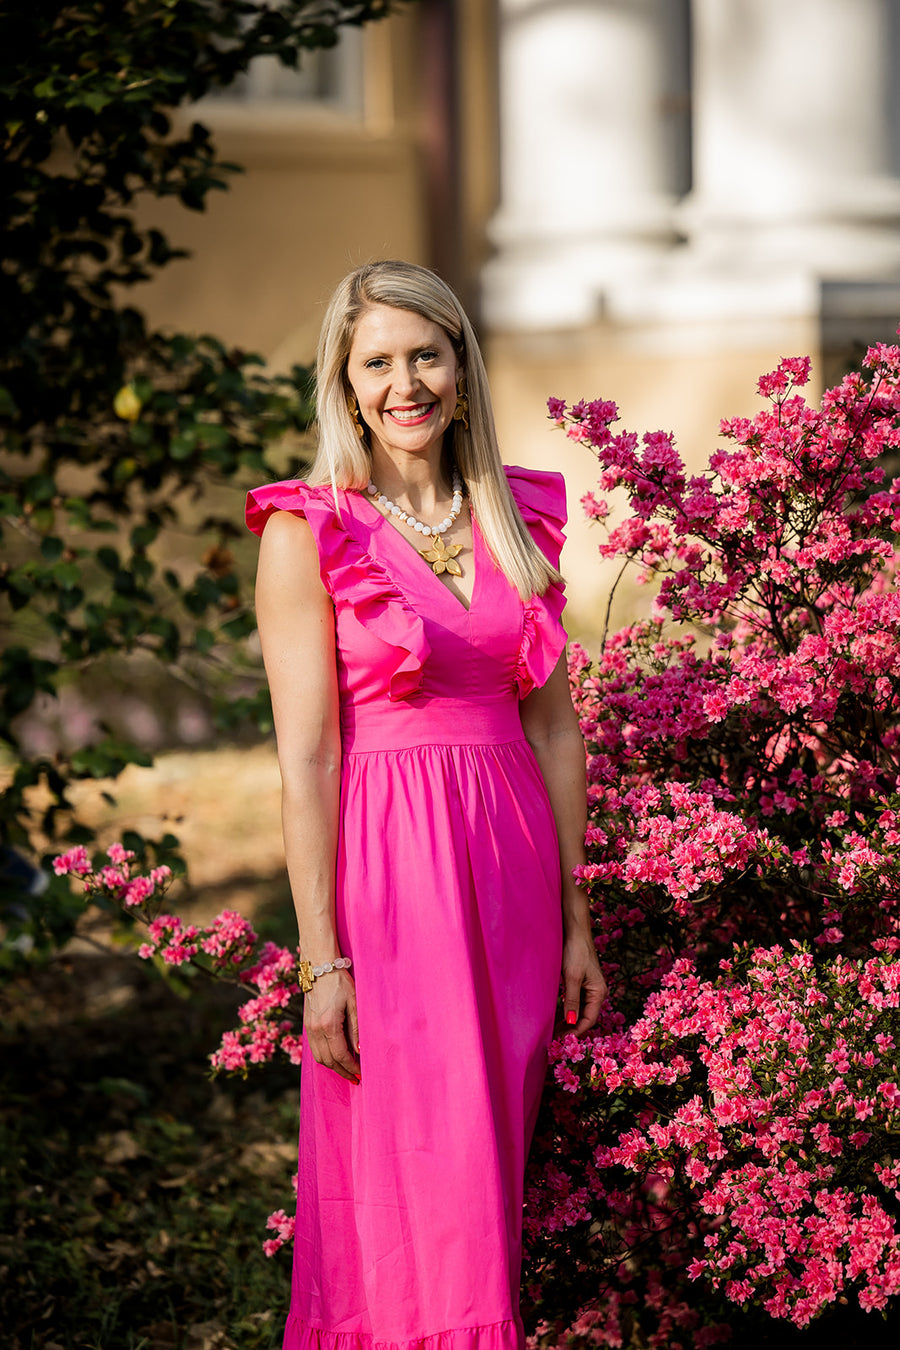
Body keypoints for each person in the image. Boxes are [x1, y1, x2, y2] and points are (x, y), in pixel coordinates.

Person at [246, 260, 607, 1350]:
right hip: (390, 880)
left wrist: (579, 919)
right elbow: (306, 759)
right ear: (345, 385)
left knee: (485, 1181)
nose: (405, 383)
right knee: (411, 1180)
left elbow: (553, 727)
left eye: (425, 355)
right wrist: (322, 960)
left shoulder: (519, 519)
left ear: (460, 369)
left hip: (511, 878)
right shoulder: (306, 533)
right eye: (378, 362)